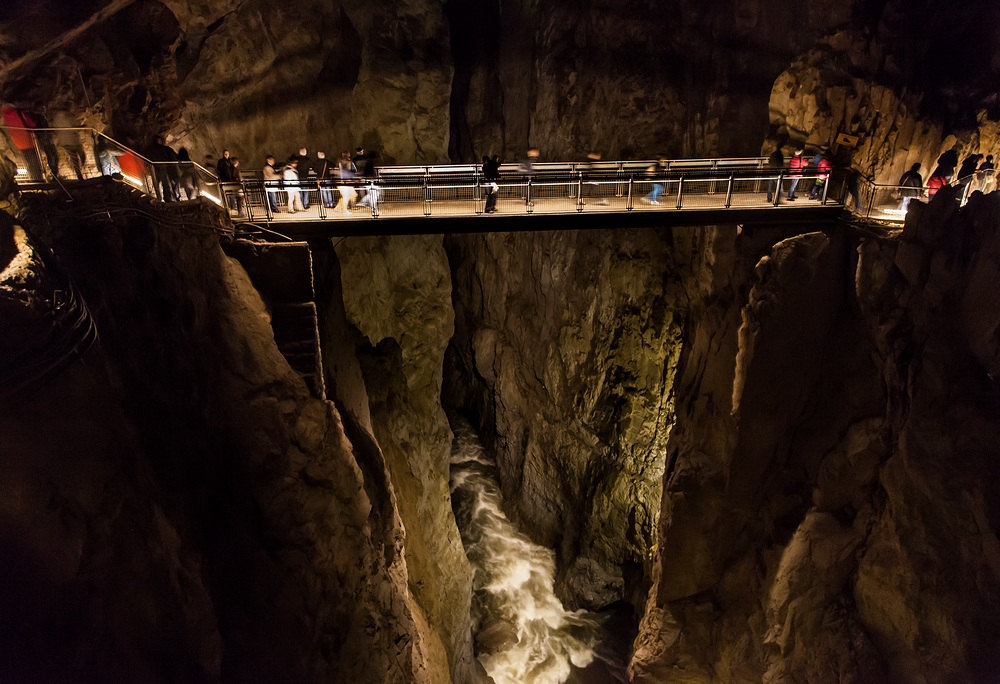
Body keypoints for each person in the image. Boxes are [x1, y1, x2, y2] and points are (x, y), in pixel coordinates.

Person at [2, 104, 43, 180]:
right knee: (34, 162)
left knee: (29, 161)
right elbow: (30, 123)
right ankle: (38, 180)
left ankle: (34, 179)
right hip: (27, 139)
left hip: (18, 140)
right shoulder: (19, 112)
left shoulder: (5, 114)